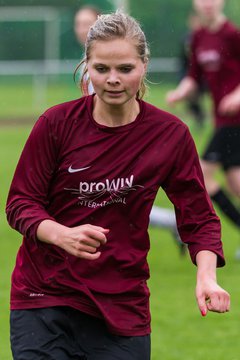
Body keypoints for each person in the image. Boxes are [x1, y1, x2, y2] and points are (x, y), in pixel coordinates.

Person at [6, 11, 230, 360]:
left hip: (122, 307)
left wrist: (206, 277)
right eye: (101, 69)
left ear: (144, 65)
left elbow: (199, 217)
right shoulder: (55, 124)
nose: (112, 79)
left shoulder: (169, 135)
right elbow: (20, 202)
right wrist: (61, 234)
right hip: (45, 298)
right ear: (87, 66)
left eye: (125, 69)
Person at [74, 5, 185, 254]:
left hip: (113, 143)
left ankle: (170, 225)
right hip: (97, 143)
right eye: (78, 24)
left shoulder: (171, 131)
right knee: (111, 199)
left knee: (116, 197)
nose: (112, 78)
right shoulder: (88, 64)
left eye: (87, 24)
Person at [167, 0, 240, 257]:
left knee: (203, 175)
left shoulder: (233, 35)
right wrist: (180, 93)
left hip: (236, 120)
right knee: (234, 182)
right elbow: (193, 76)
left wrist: (237, 95)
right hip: (223, 121)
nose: (207, 3)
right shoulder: (198, 37)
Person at [178, 12, 206, 129]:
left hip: (204, 74)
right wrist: (182, 75)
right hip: (190, 74)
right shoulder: (186, 39)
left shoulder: (206, 37)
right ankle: (199, 116)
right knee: (190, 98)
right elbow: (182, 59)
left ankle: (202, 116)